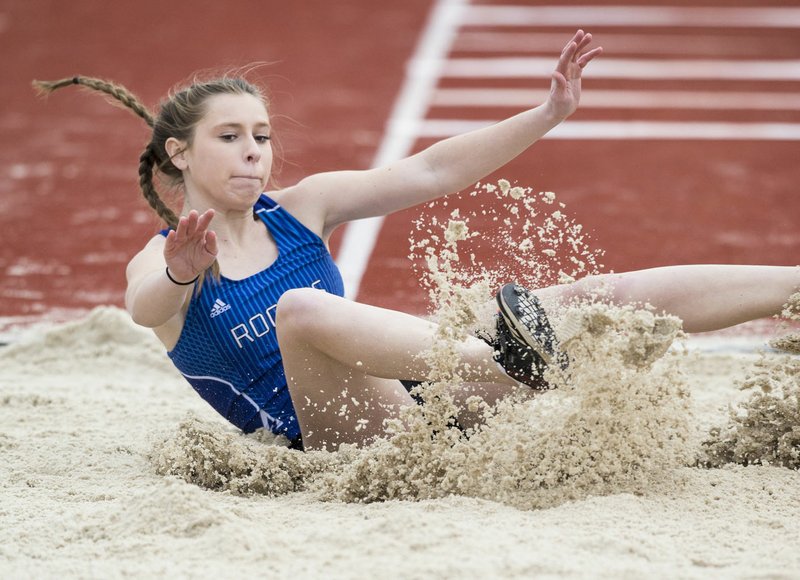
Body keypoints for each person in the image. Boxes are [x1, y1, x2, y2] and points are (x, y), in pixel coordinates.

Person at [34, 31, 798, 451]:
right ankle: (511, 361)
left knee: (603, 299)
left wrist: (545, 115)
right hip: (337, 439)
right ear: (179, 154)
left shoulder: (303, 207)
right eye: (230, 137)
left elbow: (432, 169)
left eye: (261, 136)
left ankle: (791, 283)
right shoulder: (167, 256)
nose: (254, 152)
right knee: (300, 308)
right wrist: (176, 273)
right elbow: (140, 308)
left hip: (421, 393)